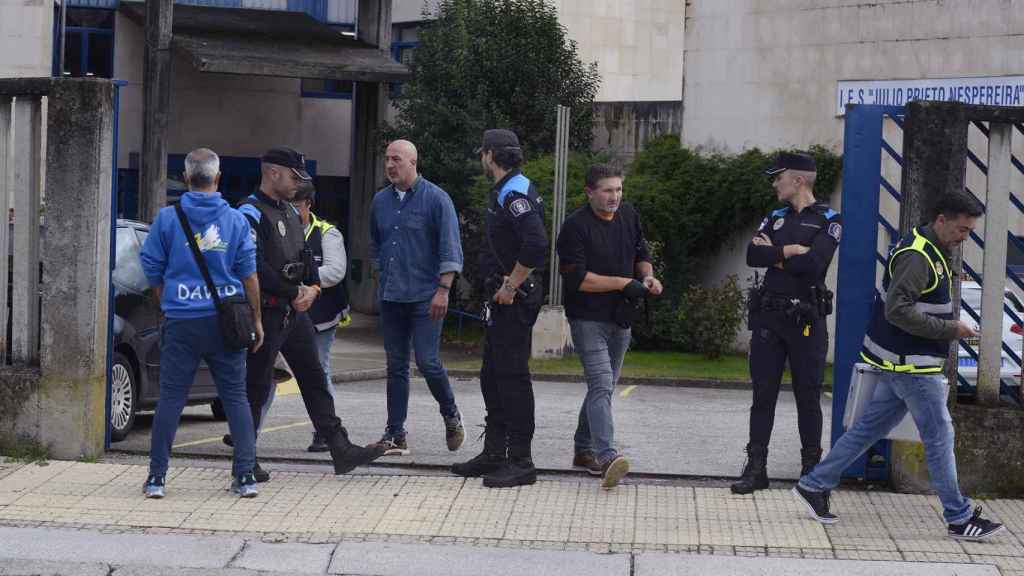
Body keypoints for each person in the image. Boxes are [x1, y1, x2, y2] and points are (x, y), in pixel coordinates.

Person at [793, 193, 1005, 541]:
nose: (965, 237)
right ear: (941, 219)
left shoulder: (928, 247)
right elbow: (898, 311)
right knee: (939, 437)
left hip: (902, 360)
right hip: (911, 365)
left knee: (868, 430)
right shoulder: (918, 255)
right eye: (962, 230)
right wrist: (953, 329)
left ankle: (814, 484)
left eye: (968, 231)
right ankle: (958, 516)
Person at [238, 146, 383, 481]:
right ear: (273, 172)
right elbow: (253, 266)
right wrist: (294, 292)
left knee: (314, 378)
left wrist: (314, 288)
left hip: (293, 312)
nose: (297, 184)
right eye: (293, 176)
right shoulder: (249, 213)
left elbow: (306, 256)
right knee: (256, 386)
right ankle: (244, 460)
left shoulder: (289, 211)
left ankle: (339, 447)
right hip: (267, 313)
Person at [140, 148, 264, 499]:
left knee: (171, 399)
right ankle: (244, 477)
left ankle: (157, 479)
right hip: (225, 321)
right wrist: (256, 319)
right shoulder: (237, 220)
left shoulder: (167, 218)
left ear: (185, 177)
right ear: (217, 178)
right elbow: (250, 276)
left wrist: (166, 302)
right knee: (236, 398)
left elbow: (150, 265)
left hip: (181, 320)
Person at [732, 151, 840, 495]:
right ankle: (755, 467)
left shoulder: (829, 219)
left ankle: (811, 471)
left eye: (778, 177)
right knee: (762, 394)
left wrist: (776, 254)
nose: (774, 183)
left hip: (806, 318)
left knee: (808, 395)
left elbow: (816, 264)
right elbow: (752, 255)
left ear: (798, 180)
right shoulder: (775, 216)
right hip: (770, 317)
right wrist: (793, 250)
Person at [556, 163, 663, 489]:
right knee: (602, 384)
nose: (614, 196)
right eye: (607, 190)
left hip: (622, 318)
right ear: (590, 192)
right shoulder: (574, 227)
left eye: (618, 189)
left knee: (602, 387)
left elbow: (641, 252)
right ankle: (607, 456)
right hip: (588, 319)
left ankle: (582, 450)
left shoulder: (628, 215)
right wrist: (623, 283)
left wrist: (646, 277)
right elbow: (578, 280)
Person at [451, 129, 548, 488]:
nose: (481, 159)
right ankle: (495, 454)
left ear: (490, 155)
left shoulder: (514, 193)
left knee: (512, 380)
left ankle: (521, 461)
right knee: (492, 378)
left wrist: (511, 285)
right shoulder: (509, 188)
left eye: (483, 153)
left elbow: (536, 245)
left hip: (514, 300)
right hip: (501, 301)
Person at [368, 139, 465, 456]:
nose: (390, 165)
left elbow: (450, 248)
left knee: (427, 361)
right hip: (392, 296)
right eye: (386, 160)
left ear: (413, 162)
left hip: (427, 296)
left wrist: (443, 290)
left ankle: (450, 414)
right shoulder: (380, 201)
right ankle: (395, 434)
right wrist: (378, 273)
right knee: (396, 365)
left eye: (396, 159)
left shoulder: (437, 199)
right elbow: (375, 243)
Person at [292, 182, 351, 452]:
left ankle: (324, 431)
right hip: (289, 310)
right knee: (269, 371)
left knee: (319, 369)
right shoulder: (282, 230)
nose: (292, 211)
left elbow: (336, 271)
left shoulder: (328, 233)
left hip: (322, 314)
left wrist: (306, 284)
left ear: (308, 205)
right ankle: (249, 431)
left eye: (297, 206)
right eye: (288, 205)